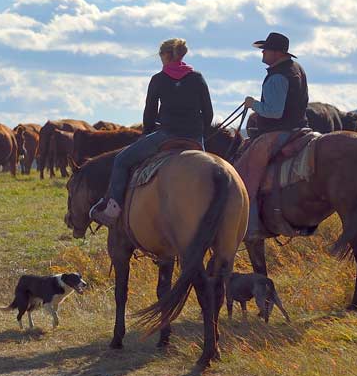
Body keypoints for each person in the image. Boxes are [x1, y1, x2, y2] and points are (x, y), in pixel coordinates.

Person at [90, 38, 214, 225]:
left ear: (166, 55)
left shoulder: (158, 79)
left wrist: (147, 133)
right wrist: (200, 134)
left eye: (161, 55)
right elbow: (208, 112)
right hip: (194, 137)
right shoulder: (197, 78)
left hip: (166, 135)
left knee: (121, 161)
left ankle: (113, 210)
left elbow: (149, 113)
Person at [237, 32, 310, 239]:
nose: (262, 52)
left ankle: (248, 227)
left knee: (245, 178)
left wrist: (253, 104)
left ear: (277, 53)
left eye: (266, 49)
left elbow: (274, 111)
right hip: (298, 129)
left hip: (277, 133)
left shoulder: (278, 75)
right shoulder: (297, 69)